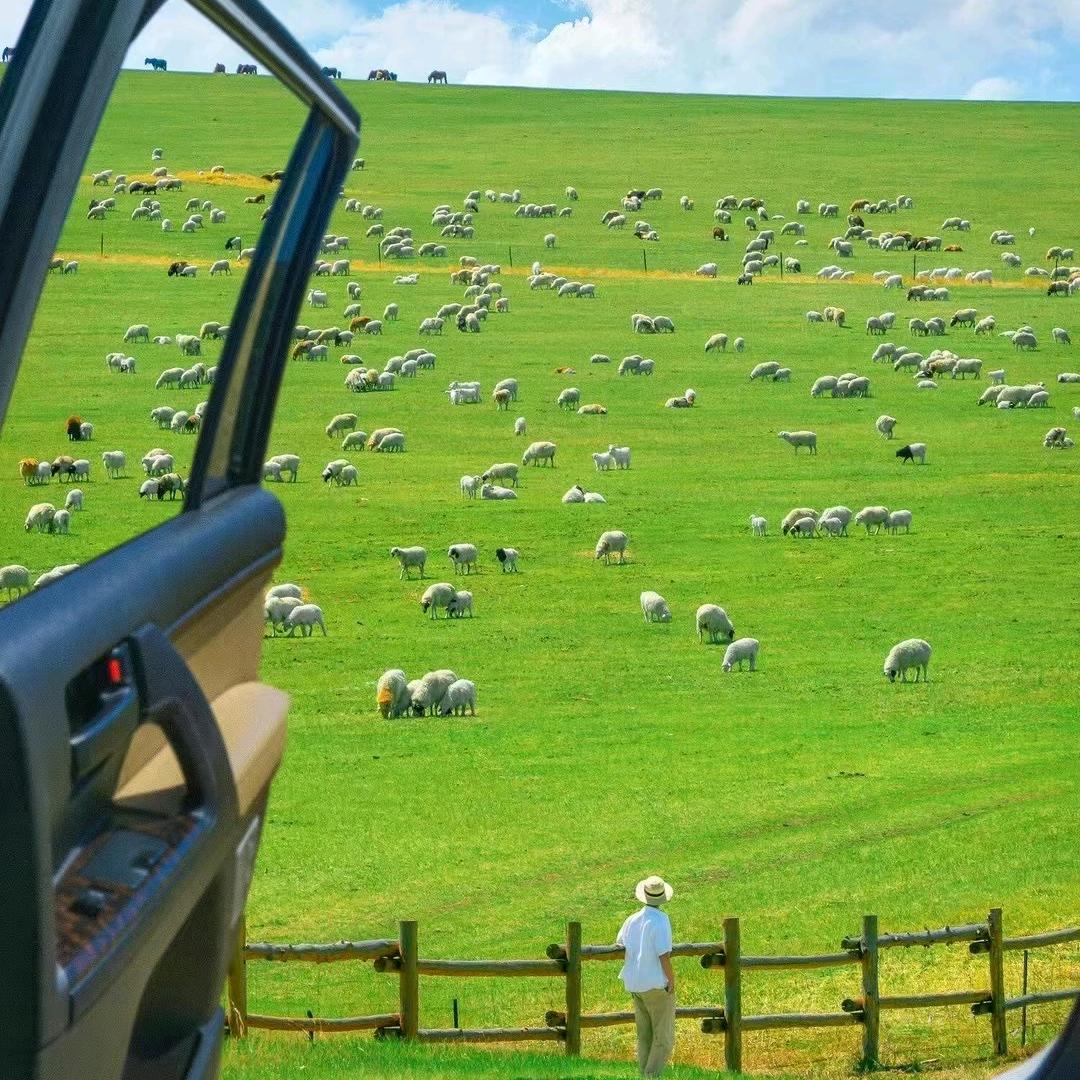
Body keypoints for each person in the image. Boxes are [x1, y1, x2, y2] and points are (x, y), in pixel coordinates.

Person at [616, 875, 676, 1077]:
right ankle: (651, 1075)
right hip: (655, 984)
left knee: (645, 1036)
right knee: (664, 1038)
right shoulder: (660, 920)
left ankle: (644, 1073)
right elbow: (664, 955)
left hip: (635, 983)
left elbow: (620, 942)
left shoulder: (632, 920)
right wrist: (671, 981)